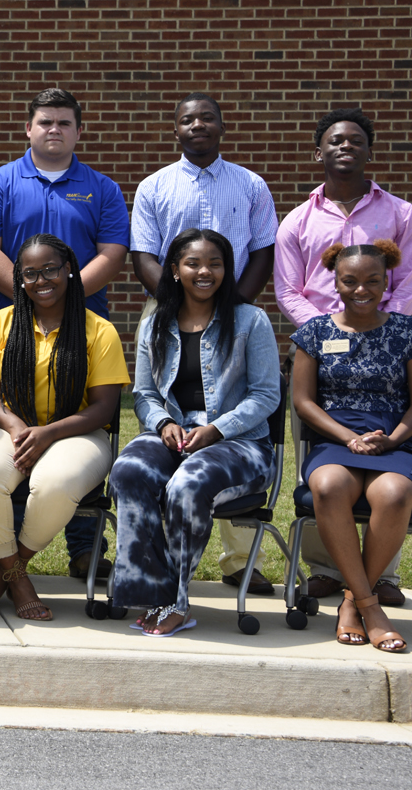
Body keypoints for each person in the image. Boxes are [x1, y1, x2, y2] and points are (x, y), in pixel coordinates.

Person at [0, 88, 129, 580]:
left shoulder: (101, 189)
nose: (54, 129)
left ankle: (84, 550)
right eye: (45, 121)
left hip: (79, 328)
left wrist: (64, 295)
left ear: (79, 131)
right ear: (29, 129)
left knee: (75, 439)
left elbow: (113, 251)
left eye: (64, 122)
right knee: (12, 436)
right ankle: (6, 548)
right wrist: (30, 294)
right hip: (10, 325)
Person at [128, 92, 281, 595]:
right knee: (137, 465)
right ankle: (143, 586)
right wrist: (176, 302)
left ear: (221, 125)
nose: (198, 125)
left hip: (233, 312)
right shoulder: (155, 186)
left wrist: (231, 307)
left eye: (207, 117)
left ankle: (233, 563)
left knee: (203, 468)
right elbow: (145, 255)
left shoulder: (251, 184)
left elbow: (262, 250)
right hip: (170, 309)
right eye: (188, 119)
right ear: (175, 128)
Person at [274, 108, 412, 608]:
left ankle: (379, 577)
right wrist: (322, 334)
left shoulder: (401, 214)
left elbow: (407, 284)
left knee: (389, 478)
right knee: (324, 467)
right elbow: (289, 288)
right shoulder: (299, 219)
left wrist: (381, 332)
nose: (345, 147)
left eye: (356, 140)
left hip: (385, 345)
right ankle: (325, 569)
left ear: (368, 150)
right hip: (321, 348)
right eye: (335, 141)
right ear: (319, 152)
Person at [110, 229, 281, 636]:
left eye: (215, 264)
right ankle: (151, 592)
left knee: (187, 484)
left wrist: (217, 429)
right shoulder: (155, 323)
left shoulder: (250, 320)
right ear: (174, 270)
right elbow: (145, 394)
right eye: (193, 263)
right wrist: (164, 424)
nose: (205, 272)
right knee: (129, 470)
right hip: (173, 431)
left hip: (240, 444)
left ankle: (177, 601)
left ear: (228, 270)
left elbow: (266, 394)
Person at [0, 234, 128, 621]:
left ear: (69, 269)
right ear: (20, 280)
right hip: (12, 428)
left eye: (51, 269)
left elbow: (105, 408)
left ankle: (6, 573)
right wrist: (14, 424)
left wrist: (49, 433)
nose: (42, 280)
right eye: (30, 274)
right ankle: (19, 579)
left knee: (55, 482)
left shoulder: (98, 330)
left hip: (80, 433)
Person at [291, 240, 412, 653]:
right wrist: (347, 437)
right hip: (336, 438)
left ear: (386, 279)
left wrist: (394, 438)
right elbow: (303, 401)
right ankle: (373, 608)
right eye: (350, 280)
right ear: (334, 281)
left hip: (394, 439)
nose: (361, 289)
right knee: (330, 487)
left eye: (372, 280)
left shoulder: (408, 332)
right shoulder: (314, 332)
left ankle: (354, 602)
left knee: (394, 493)